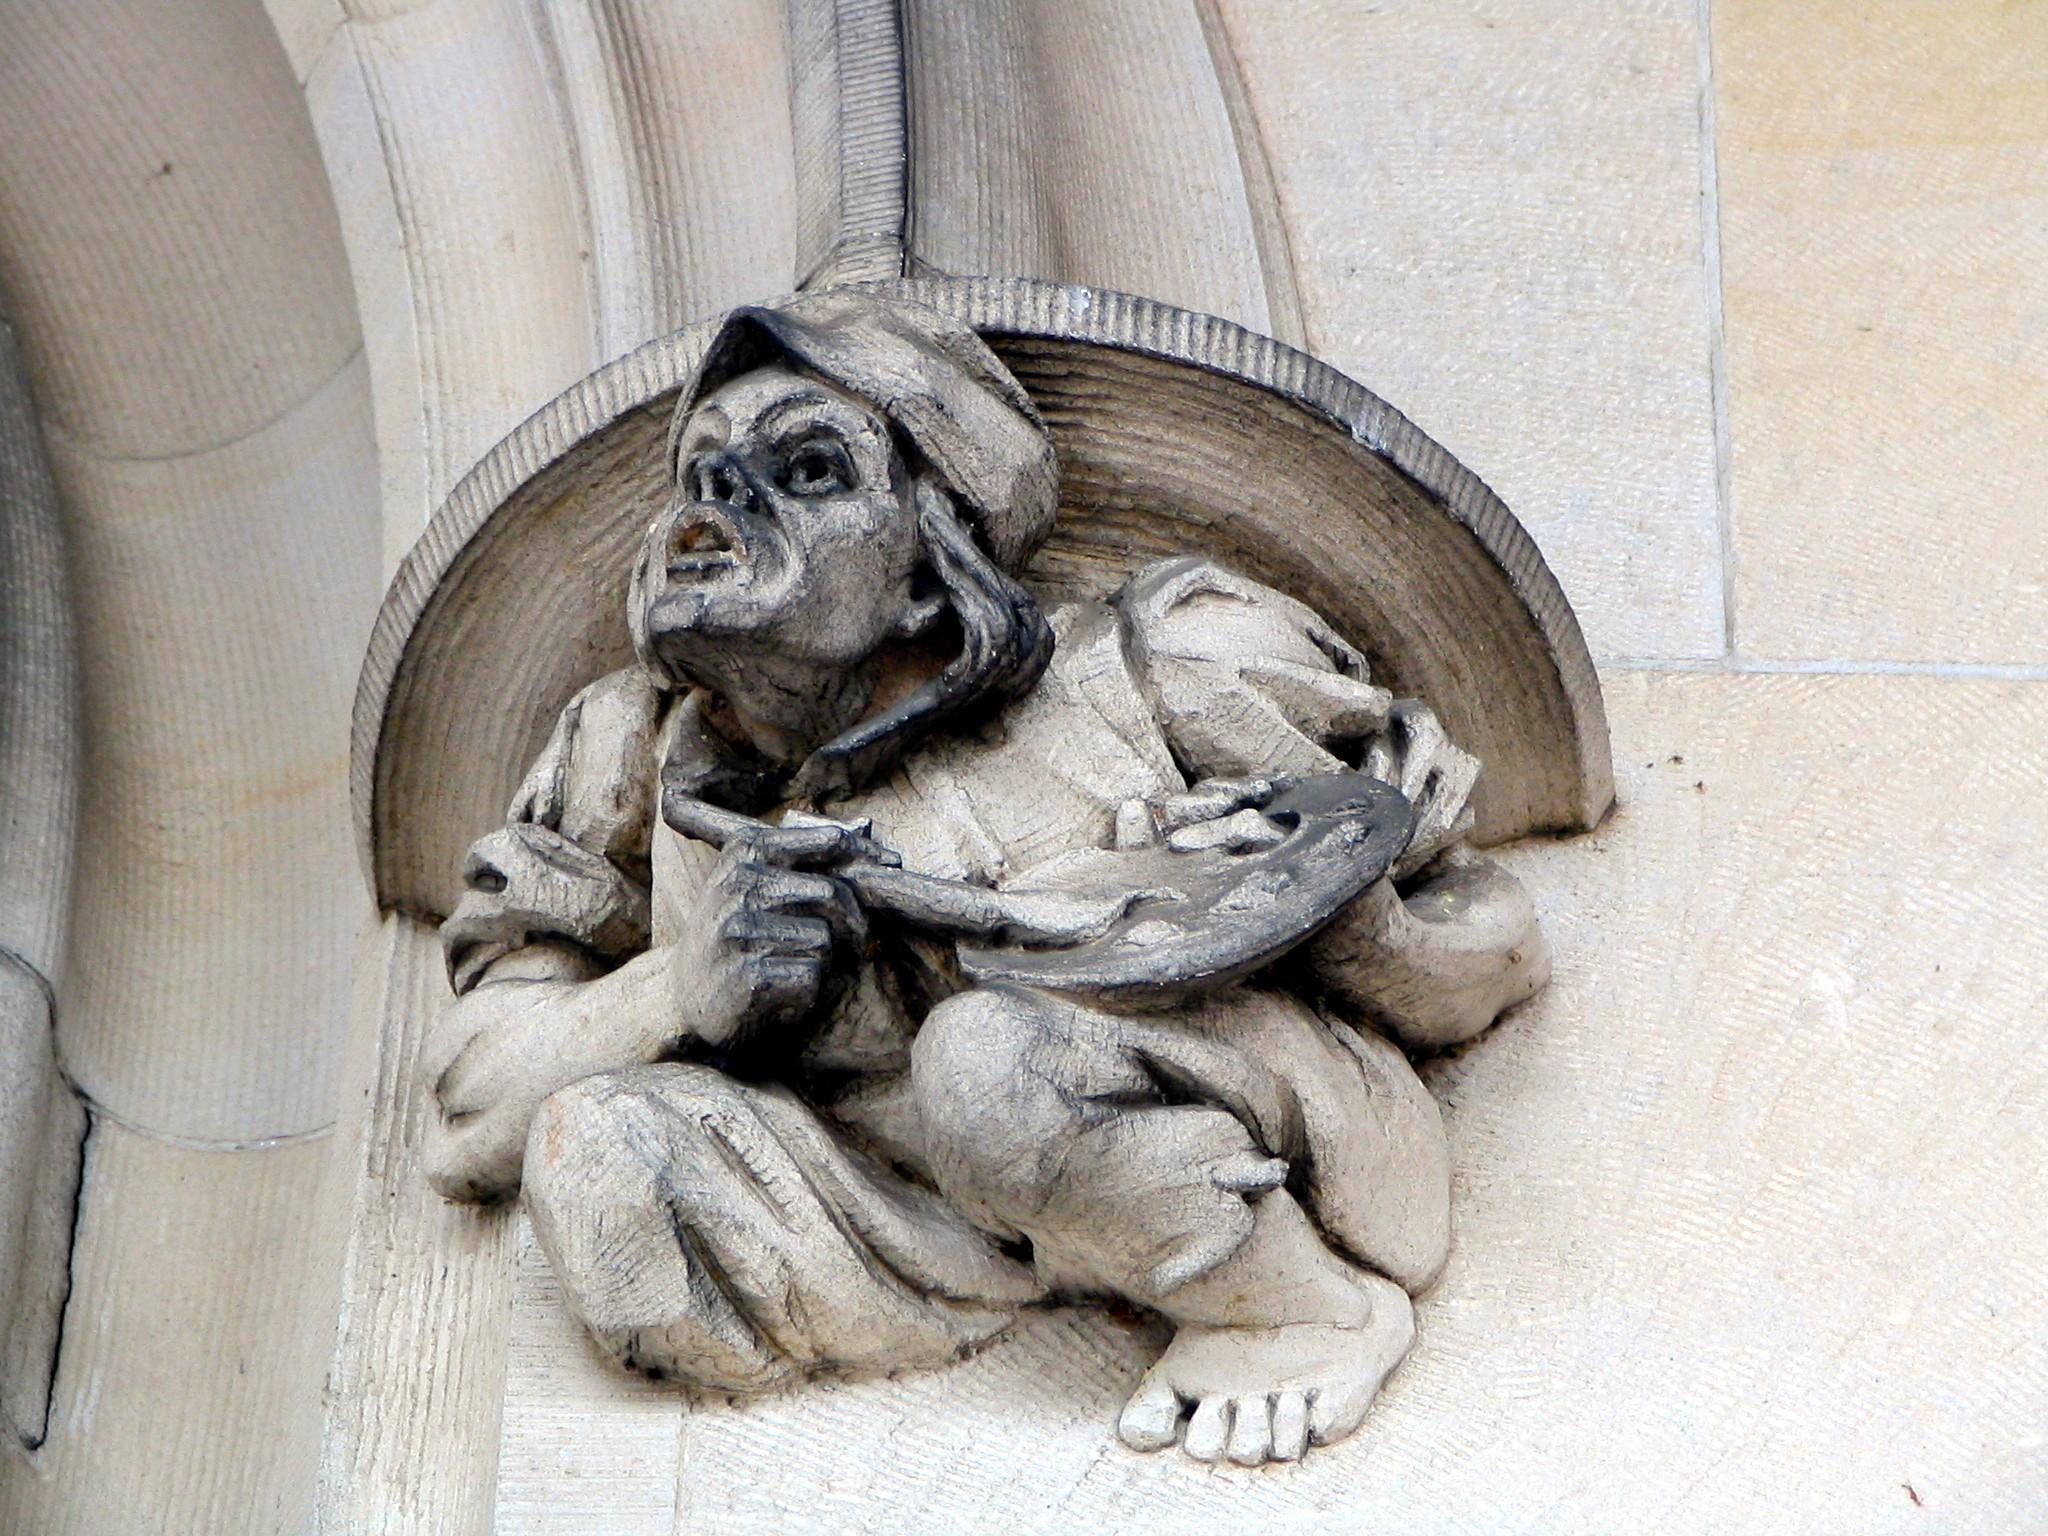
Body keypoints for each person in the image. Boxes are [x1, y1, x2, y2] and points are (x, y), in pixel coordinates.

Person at [421, 291, 1548, 1465]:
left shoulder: (1161, 665)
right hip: (897, 1222)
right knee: (594, 1149)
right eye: (701, 473)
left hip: (1229, 1119)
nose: (720, 502)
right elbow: (468, 1110)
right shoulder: (622, 755)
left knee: (984, 1058)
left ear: (928, 563)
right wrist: (681, 991)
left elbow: (1494, 940)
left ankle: (1297, 1310)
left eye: (807, 470)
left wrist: (1334, 918)